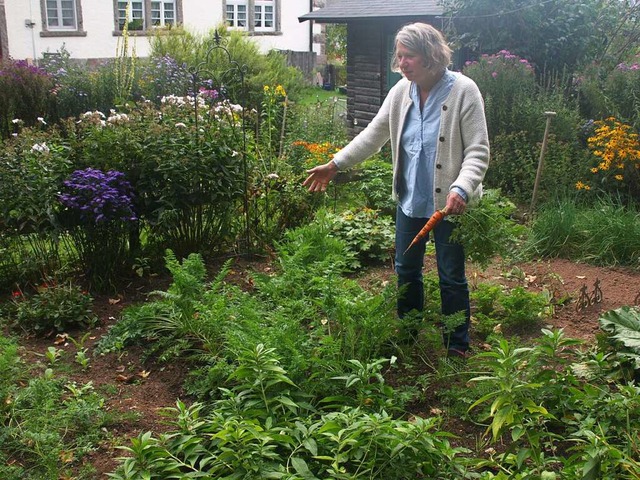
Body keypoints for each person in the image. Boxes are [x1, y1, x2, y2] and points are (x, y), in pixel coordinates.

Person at [303, 22, 490, 358]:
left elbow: (478, 150)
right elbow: (372, 137)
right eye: (399, 55)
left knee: (450, 275)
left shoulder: (464, 91)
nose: (402, 63)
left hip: (450, 205)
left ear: (431, 56)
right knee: (406, 269)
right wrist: (335, 164)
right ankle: (409, 331)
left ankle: (457, 344)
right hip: (410, 200)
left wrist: (461, 188)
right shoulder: (401, 92)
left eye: (410, 56)